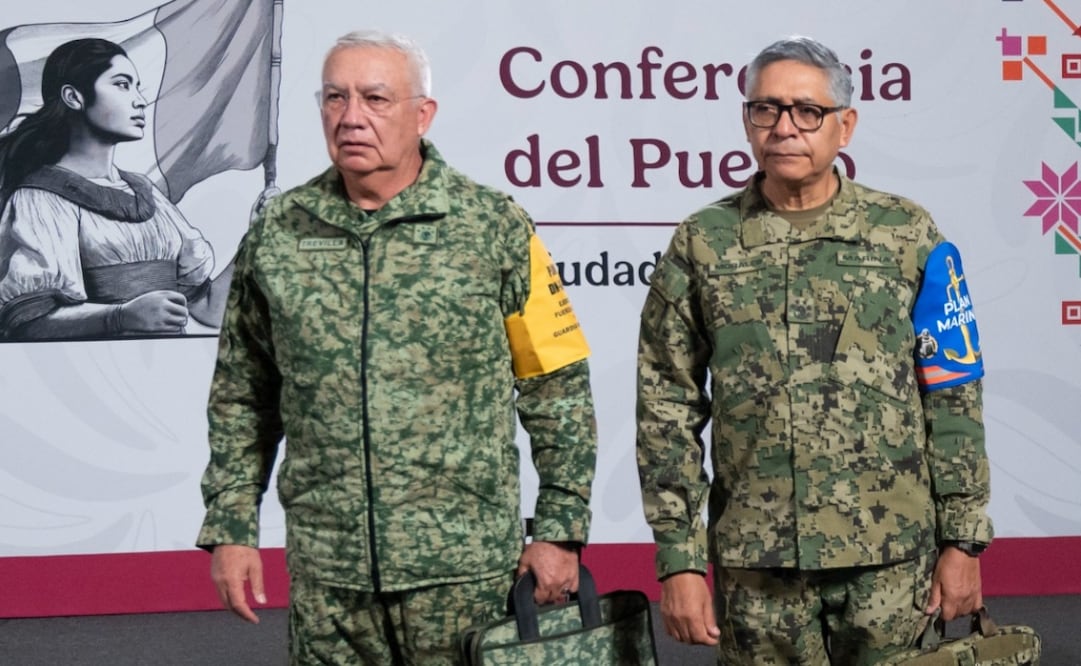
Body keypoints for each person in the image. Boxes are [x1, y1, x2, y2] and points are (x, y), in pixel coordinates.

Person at [196, 29, 598, 665]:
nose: (351, 117)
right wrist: (230, 524)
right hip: (331, 579)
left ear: (422, 113)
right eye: (335, 98)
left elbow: (558, 389)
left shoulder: (492, 225)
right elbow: (243, 393)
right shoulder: (278, 231)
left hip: (464, 577)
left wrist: (560, 532)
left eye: (375, 99)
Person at [636, 36, 993, 665]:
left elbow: (953, 392)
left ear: (845, 126)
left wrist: (963, 542)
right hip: (758, 568)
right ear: (746, 120)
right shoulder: (703, 244)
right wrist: (678, 560)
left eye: (807, 111)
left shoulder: (908, 234)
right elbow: (666, 405)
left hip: (891, 562)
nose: (784, 128)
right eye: (765, 109)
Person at [0, 38, 230, 341]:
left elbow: (210, 310)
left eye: (137, 87)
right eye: (122, 85)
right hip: (94, 375)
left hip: (169, 370)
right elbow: (27, 321)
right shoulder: (41, 199)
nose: (139, 100)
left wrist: (257, 237)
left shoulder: (145, 193)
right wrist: (121, 317)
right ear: (73, 97)